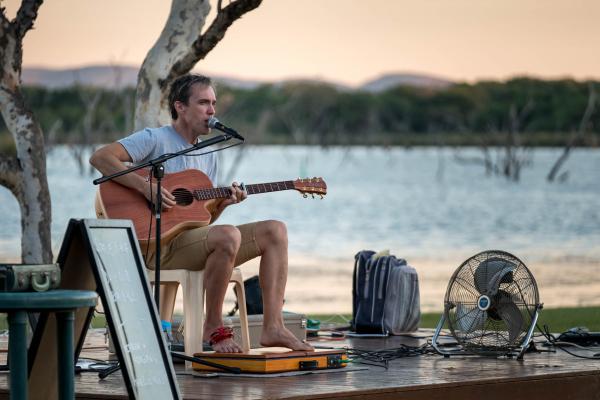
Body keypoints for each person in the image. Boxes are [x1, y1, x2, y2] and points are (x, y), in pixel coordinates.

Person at [89, 74, 313, 353]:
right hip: (154, 246)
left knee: (275, 230)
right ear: (180, 106)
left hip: (189, 243)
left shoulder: (209, 154)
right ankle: (213, 326)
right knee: (228, 235)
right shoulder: (155, 139)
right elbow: (100, 157)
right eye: (203, 102)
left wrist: (223, 203)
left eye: (214, 103)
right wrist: (147, 188)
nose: (212, 111)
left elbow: (201, 220)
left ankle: (273, 328)